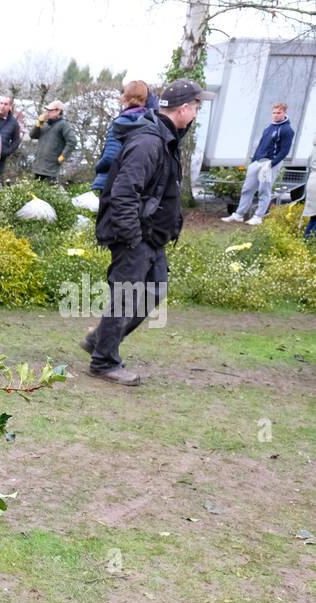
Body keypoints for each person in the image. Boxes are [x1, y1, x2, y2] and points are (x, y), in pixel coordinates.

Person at [87, 79, 213, 386]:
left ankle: (101, 341)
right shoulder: (149, 142)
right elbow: (124, 192)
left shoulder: (167, 137)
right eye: (195, 107)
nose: (196, 113)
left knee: (154, 291)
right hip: (134, 235)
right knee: (128, 296)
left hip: (152, 235)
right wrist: (131, 237)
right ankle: (104, 361)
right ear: (183, 108)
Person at [223, 102, 294, 225]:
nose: (276, 115)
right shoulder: (269, 127)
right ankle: (239, 214)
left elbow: (284, 151)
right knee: (247, 188)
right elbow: (261, 144)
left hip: (270, 163)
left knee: (263, 190)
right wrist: (253, 161)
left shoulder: (287, 130)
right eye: (274, 112)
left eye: (279, 113)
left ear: (284, 113)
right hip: (258, 161)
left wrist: (272, 163)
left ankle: (258, 217)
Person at [93, 80, 152, 193]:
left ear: (124, 97)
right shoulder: (151, 124)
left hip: (113, 184)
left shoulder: (119, 123)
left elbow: (110, 157)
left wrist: (98, 167)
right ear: (145, 100)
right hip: (140, 185)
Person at [30, 99, 78, 183]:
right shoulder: (45, 124)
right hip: (38, 166)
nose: (48, 112)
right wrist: (38, 124)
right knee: (35, 193)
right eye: (47, 110)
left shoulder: (64, 125)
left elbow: (72, 141)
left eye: (50, 110)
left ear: (58, 111)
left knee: (49, 192)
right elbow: (33, 135)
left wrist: (63, 156)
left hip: (51, 168)